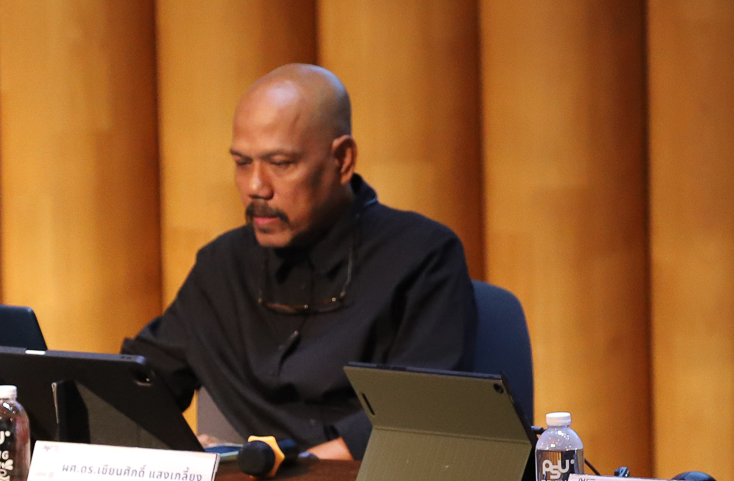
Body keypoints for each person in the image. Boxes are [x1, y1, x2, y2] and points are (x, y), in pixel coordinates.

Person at [124, 63, 478, 460]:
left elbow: (422, 413)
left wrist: (293, 470)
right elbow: (141, 383)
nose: (256, 187)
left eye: (280, 164)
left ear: (342, 159)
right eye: (242, 163)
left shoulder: (422, 256)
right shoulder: (222, 266)